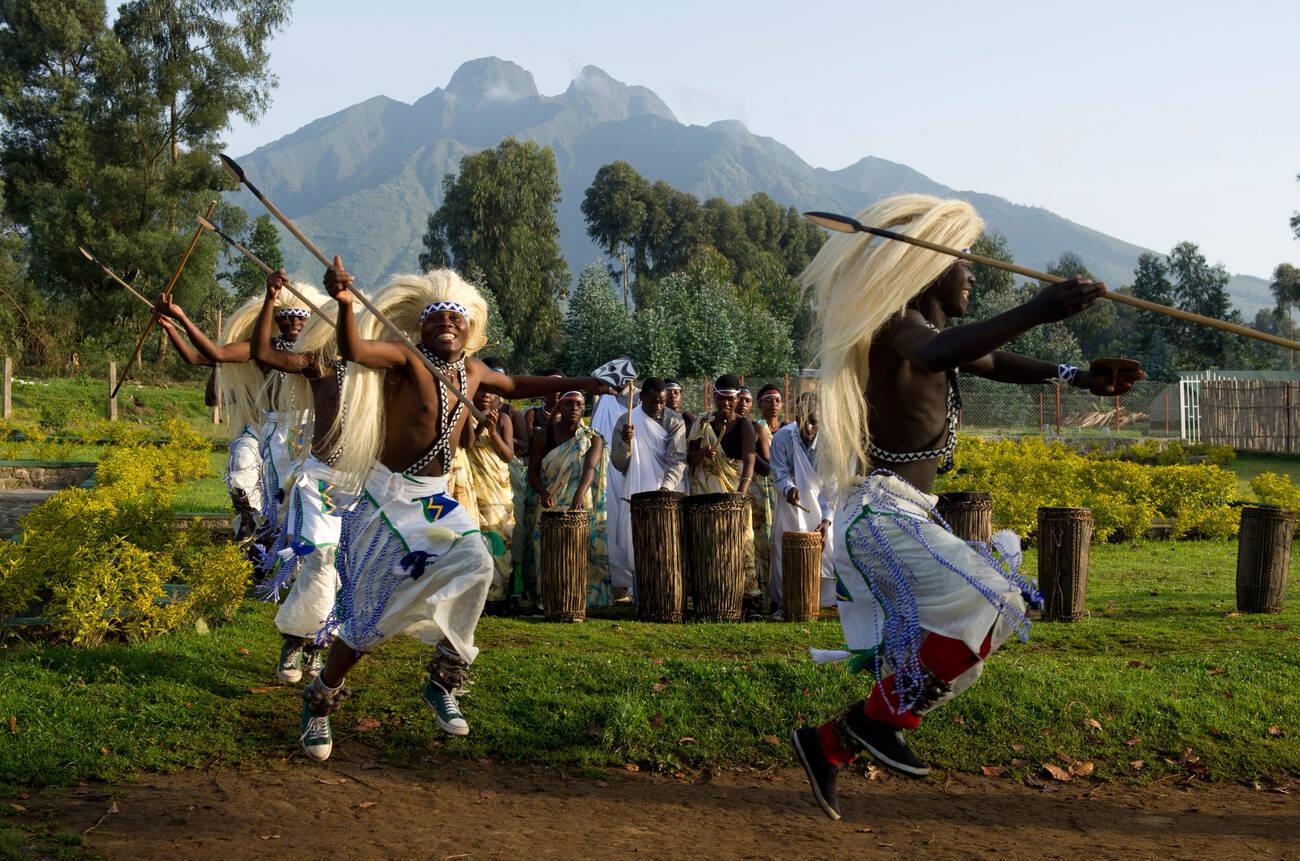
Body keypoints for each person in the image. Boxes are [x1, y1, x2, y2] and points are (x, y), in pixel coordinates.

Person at [789, 194, 1142, 820]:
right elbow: (940, 352)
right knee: (996, 597)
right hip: (880, 517)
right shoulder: (896, 327)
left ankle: (830, 744)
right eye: (965, 263)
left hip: (906, 517)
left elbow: (991, 358)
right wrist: (1037, 307)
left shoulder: (933, 336)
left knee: (993, 615)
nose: (973, 275)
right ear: (930, 269)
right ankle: (872, 721)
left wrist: (1076, 376)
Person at [298, 260, 606, 763]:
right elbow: (353, 349)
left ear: (470, 331)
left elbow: (520, 386)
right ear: (420, 327)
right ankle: (321, 698)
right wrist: (346, 302)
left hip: (436, 496)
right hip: (390, 494)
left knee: (479, 563)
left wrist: (581, 383)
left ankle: (444, 677)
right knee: (374, 612)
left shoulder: (475, 371)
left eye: (455, 319)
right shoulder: (403, 359)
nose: (446, 324)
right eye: (437, 318)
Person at [157, 280, 320, 553]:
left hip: (306, 430)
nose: (294, 323)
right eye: (287, 317)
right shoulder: (262, 350)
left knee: (295, 498)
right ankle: (252, 524)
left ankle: (287, 554)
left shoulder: (317, 354)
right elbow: (206, 356)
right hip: (267, 426)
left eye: (301, 318)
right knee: (244, 472)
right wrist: (177, 322)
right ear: (276, 321)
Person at [248, 272, 354, 685]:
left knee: (343, 571)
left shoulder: (381, 374)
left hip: (362, 487)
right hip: (320, 479)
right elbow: (263, 352)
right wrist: (270, 300)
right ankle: (294, 642)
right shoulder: (319, 368)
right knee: (320, 560)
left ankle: (316, 646)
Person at [528, 390, 611, 607]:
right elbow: (533, 472)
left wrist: (578, 497)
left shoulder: (593, 437)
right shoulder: (543, 435)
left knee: (580, 549)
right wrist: (543, 493)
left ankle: (581, 597)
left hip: (580, 501)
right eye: (569, 404)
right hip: (551, 502)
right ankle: (550, 598)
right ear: (560, 407)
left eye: (579, 404)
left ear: (584, 409)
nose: (574, 408)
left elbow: (590, 468)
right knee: (548, 550)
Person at [606, 378, 688, 597]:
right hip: (637, 492)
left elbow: (677, 459)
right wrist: (626, 442)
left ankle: (669, 596)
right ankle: (642, 598)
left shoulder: (674, 421)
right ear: (641, 398)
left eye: (661, 402)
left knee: (668, 543)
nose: (658, 407)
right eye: (653, 402)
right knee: (639, 543)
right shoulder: (627, 421)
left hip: (668, 492)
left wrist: (665, 489)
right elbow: (619, 463)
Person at [687, 374, 760, 606]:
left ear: (738, 399)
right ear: (714, 397)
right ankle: (709, 593)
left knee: (741, 542)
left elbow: (749, 463)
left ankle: (745, 597)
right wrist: (702, 453)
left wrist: (739, 494)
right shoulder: (703, 423)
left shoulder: (744, 425)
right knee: (708, 543)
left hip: (735, 495)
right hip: (705, 497)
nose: (726, 403)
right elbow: (689, 458)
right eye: (722, 398)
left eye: (731, 399)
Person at [767, 392, 834, 612]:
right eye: (803, 422)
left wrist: (826, 520)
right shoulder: (783, 437)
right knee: (785, 551)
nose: (808, 429)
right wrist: (788, 488)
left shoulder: (830, 443)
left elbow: (831, 488)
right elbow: (779, 473)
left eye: (813, 423)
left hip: (821, 505)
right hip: (791, 506)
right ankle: (783, 601)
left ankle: (822, 601)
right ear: (796, 418)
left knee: (827, 550)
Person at [464, 357, 517, 613]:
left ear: (498, 396)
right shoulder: (465, 416)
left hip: (497, 488)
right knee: (477, 538)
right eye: (481, 390)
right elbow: (466, 444)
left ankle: (500, 595)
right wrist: (480, 422)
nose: (485, 395)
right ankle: (480, 596)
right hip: (473, 488)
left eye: (490, 391)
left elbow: (508, 455)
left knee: (501, 537)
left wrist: (493, 430)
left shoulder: (505, 420)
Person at [736, 386, 774, 608]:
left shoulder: (756, 428)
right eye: (739, 399)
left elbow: (767, 466)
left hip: (756, 490)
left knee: (757, 543)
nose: (742, 404)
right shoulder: (725, 426)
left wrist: (748, 450)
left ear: (752, 405)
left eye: (746, 400)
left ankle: (761, 594)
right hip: (732, 483)